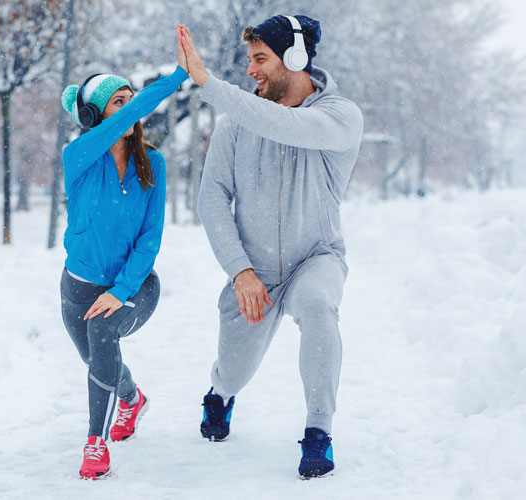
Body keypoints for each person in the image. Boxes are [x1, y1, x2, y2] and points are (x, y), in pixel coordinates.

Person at [178, 15, 363, 478]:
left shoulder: (340, 116)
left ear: (295, 58)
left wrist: (208, 83)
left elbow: (289, 127)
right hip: (254, 270)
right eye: (249, 60)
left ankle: (318, 431)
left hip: (315, 257)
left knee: (318, 305)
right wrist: (240, 270)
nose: (250, 70)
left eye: (260, 59)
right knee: (234, 369)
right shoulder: (235, 126)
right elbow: (212, 199)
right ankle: (220, 393)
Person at [59, 26, 189, 480]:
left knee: (103, 332)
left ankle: (95, 444)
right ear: (95, 116)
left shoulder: (152, 163)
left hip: (134, 285)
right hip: (77, 287)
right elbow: (123, 120)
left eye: (132, 100)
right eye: (119, 102)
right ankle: (132, 400)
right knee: (98, 360)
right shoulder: (78, 157)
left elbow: (150, 237)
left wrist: (121, 290)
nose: (131, 108)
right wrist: (171, 80)